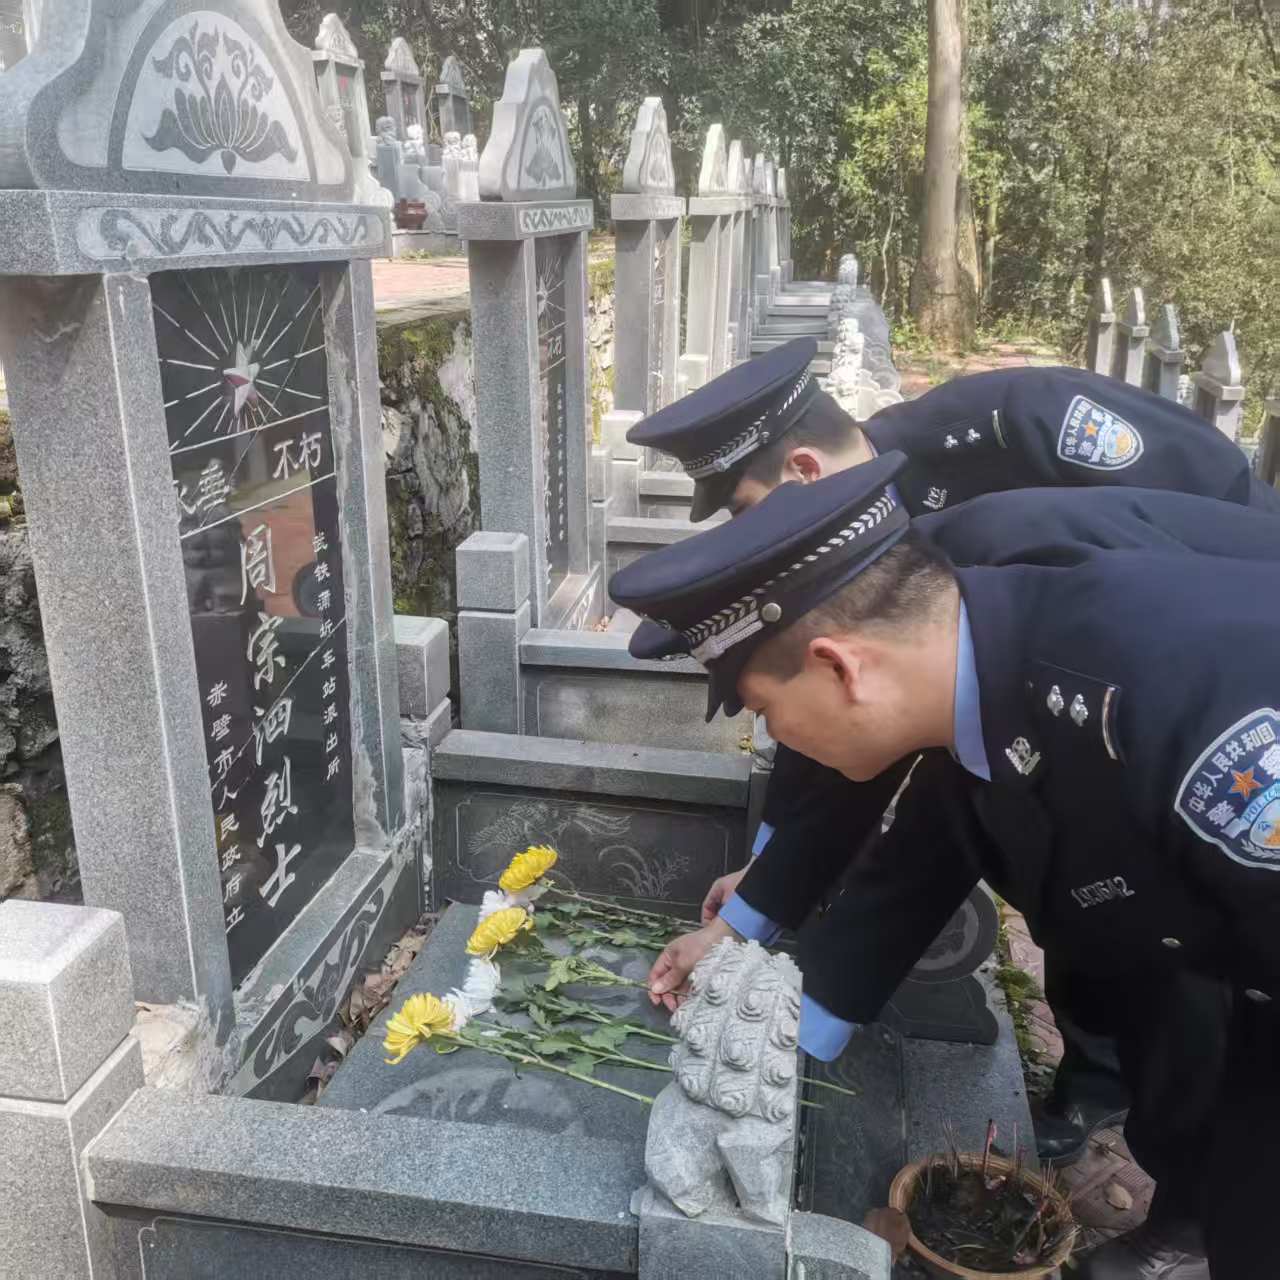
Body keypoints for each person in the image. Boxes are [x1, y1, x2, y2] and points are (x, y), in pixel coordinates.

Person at [610, 458, 1280, 1279]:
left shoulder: (1177, 710)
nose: (778, 737)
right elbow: (939, 832)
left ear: (842, 666)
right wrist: (775, 1008)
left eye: (765, 710)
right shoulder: (994, 657)